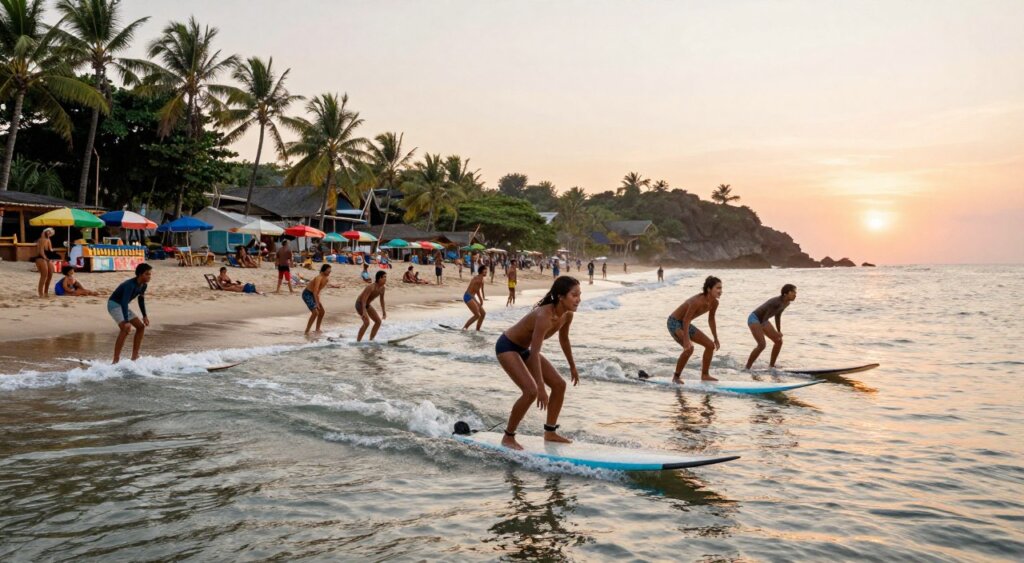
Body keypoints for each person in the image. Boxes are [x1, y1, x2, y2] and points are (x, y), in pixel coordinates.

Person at [495, 276, 582, 450]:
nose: (578, 299)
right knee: (531, 391)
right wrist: (541, 386)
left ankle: (550, 431)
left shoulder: (567, 316)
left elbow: (564, 340)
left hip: (524, 349)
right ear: (561, 296)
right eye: (574, 295)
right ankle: (508, 437)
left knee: (559, 385)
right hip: (507, 346)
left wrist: (572, 366)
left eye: (579, 295)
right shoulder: (544, 315)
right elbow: (535, 352)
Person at [667, 276, 722, 384]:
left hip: (685, 323)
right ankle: (676, 377)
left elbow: (711, 320)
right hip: (674, 322)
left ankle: (705, 375)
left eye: (721, 288)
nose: (720, 291)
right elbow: (686, 320)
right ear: (709, 289)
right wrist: (686, 340)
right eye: (718, 288)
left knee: (710, 345)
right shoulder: (697, 301)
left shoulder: (714, 303)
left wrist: (715, 337)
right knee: (689, 348)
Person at [108, 263, 152, 363]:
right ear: (140, 274)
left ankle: (134, 356)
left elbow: (141, 300)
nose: (149, 276)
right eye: (147, 274)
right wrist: (126, 321)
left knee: (141, 327)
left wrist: (144, 316)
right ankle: (116, 359)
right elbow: (124, 302)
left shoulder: (143, 285)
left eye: (150, 274)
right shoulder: (129, 285)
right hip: (114, 304)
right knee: (125, 328)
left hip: (123, 306)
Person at [746, 284, 797, 369]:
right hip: (754, 318)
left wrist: (778, 331)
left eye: (795, 292)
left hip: (763, 320)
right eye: (793, 292)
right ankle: (747, 368)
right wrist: (762, 328)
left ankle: (771, 366)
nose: (795, 295)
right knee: (762, 345)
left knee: (778, 341)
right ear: (785, 294)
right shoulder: (776, 302)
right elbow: (764, 316)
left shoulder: (786, 303)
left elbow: (778, 315)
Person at [356, 270, 388, 341]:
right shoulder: (371, 287)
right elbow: (363, 300)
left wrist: (384, 311)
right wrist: (364, 311)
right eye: (384, 277)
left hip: (367, 305)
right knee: (366, 323)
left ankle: (371, 340)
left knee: (378, 322)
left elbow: (382, 300)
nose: (386, 279)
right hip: (360, 304)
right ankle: (358, 342)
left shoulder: (382, 288)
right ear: (380, 278)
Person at [302, 264, 331, 334]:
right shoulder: (319, 278)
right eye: (328, 271)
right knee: (315, 312)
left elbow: (318, 291)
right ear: (323, 270)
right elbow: (315, 291)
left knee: (322, 312)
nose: (329, 272)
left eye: (330, 271)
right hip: (307, 294)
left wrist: (318, 301)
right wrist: (317, 303)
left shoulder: (326, 279)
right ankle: (307, 330)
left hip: (314, 295)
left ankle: (317, 329)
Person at [31, 228, 59, 298]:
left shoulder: (48, 240)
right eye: (48, 232)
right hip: (40, 258)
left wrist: (54, 256)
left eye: (50, 233)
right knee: (44, 275)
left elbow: (50, 250)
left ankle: (46, 292)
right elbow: (41, 251)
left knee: (50, 274)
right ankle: (41, 293)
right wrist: (46, 258)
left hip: (46, 257)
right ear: (45, 232)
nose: (49, 233)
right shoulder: (41, 240)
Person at [462, 265, 488, 330]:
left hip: (472, 297)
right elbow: (475, 289)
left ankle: (477, 330)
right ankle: (464, 328)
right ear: (481, 271)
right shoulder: (477, 279)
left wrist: (480, 299)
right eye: (485, 270)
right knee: (477, 315)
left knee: (483, 313)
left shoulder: (481, 279)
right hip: (468, 296)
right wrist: (479, 300)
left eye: (486, 270)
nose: (486, 271)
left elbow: (477, 290)